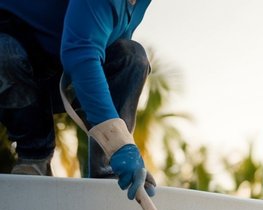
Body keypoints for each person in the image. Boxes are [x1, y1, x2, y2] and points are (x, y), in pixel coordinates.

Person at [0, 0, 153, 199]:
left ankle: (109, 171)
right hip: (14, 62)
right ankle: (34, 157)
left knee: (132, 56)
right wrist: (118, 143)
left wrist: (117, 145)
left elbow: (104, 52)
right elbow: (81, 53)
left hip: (61, 74)